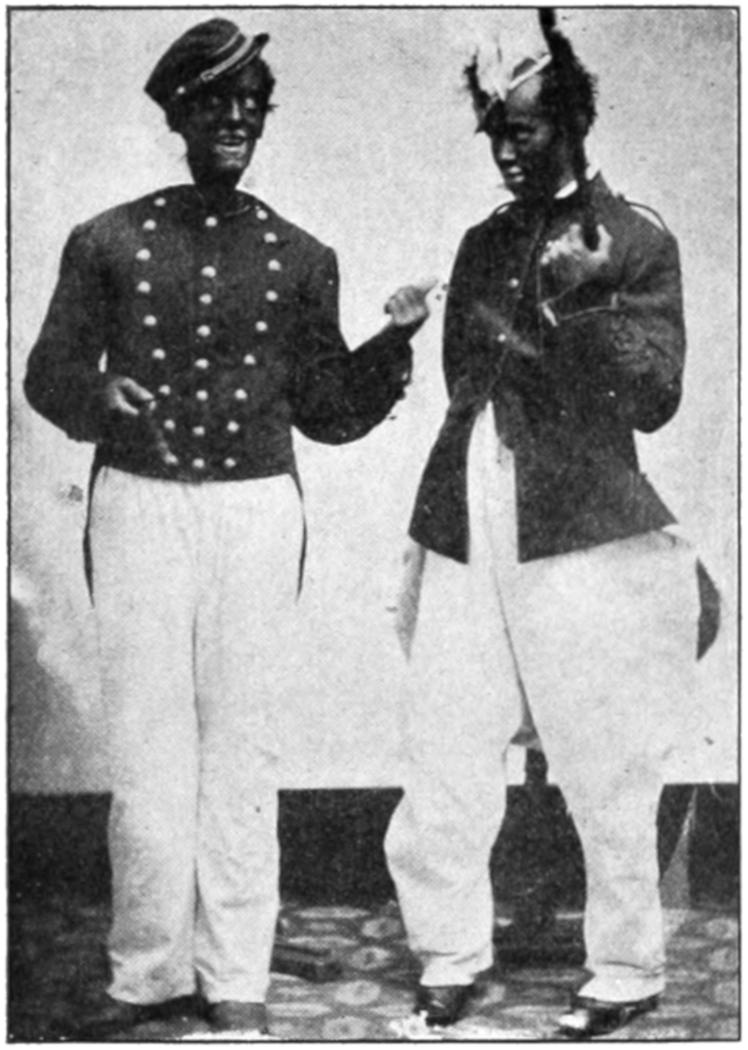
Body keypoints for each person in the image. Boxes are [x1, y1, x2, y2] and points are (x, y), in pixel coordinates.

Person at [24, 19, 431, 1039]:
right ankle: (147, 972)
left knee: (244, 747)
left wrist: (391, 343)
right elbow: (47, 374)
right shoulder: (107, 241)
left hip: (256, 511)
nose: (236, 121)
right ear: (180, 116)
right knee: (147, 748)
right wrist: (95, 395)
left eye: (252, 106)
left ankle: (236, 972)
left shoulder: (302, 257)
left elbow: (325, 411)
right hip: (138, 506)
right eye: (215, 104)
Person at [385, 9, 707, 1039]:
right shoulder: (482, 242)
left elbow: (654, 398)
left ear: (569, 120)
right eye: (495, 133)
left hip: (582, 525)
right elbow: (464, 385)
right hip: (466, 516)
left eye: (522, 129)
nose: (506, 150)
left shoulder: (637, 239)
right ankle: (449, 954)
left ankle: (625, 968)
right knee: (444, 747)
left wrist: (581, 306)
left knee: (607, 759)